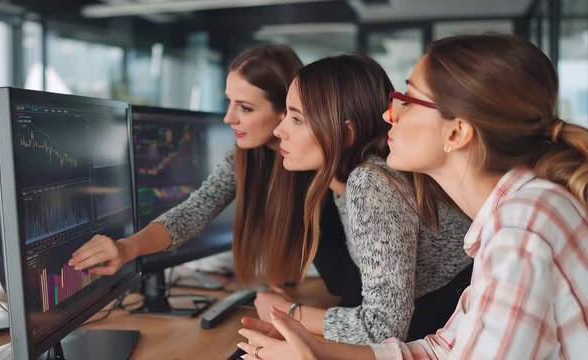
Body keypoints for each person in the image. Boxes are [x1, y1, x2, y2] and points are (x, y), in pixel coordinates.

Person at [237, 34, 588, 359]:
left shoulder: (521, 229)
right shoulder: (512, 217)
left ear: (457, 131)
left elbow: (387, 326)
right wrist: (316, 351)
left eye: (408, 101)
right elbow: (440, 351)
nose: (389, 115)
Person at [68, 44, 363, 305]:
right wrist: (126, 247)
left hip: (374, 319)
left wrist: (296, 315)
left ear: (285, 110)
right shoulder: (246, 156)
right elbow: (194, 210)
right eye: (229, 102)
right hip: (348, 307)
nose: (228, 118)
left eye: (245, 108)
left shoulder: (333, 163)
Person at [253, 54, 472, 346]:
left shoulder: (370, 181)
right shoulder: (351, 178)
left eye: (296, 119)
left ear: (346, 133)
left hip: (450, 323)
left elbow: (382, 329)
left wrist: (288, 313)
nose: (279, 131)